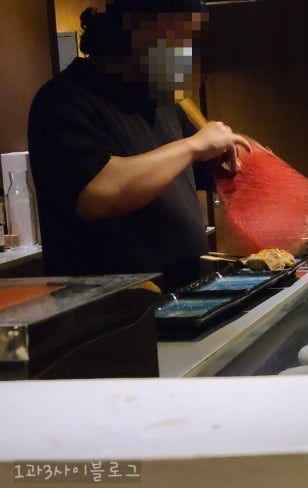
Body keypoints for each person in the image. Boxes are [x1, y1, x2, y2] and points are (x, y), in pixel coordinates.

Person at [28, 0, 251, 292]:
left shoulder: (160, 102)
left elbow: (202, 169)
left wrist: (246, 167)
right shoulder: (63, 100)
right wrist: (194, 145)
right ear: (138, 31)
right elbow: (95, 193)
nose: (187, 54)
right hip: (115, 316)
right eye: (179, 40)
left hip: (187, 300)